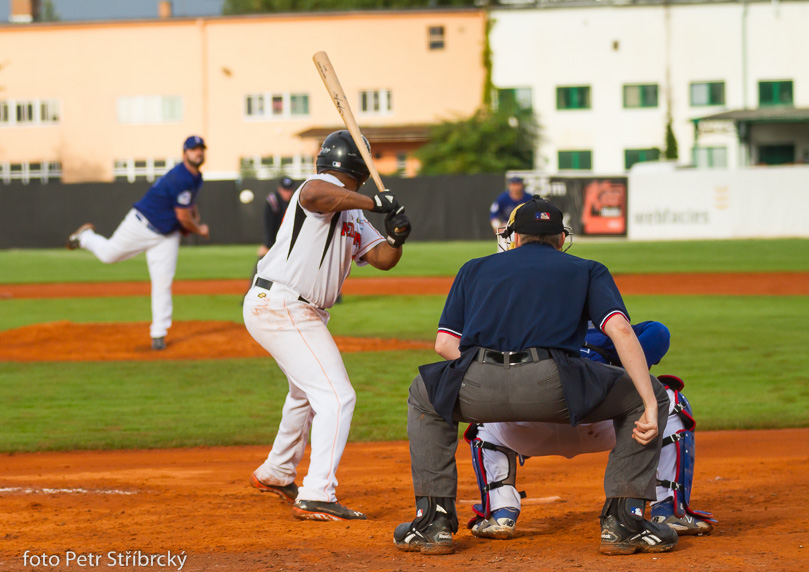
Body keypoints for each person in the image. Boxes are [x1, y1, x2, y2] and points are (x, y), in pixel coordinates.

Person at [393, 197, 677, 556]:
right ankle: (625, 522)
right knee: (647, 393)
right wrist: (649, 403)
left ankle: (432, 522)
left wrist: (488, 372)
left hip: (479, 383)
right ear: (561, 238)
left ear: (514, 238)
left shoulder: (474, 267)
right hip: (554, 384)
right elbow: (620, 329)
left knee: (424, 393)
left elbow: (444, 344)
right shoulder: (586, 268)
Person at [243, 130, 412, 521]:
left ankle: (277, 471)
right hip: (283, 304)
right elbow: (314, 195)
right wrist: (375, 202)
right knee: (337, 397)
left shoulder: (351, 210)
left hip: (290, 309)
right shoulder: (324, 189)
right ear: (360, 166)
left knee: (304, 395)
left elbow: (383, 258)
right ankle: (317, 492)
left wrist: (396, 236)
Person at [466, 321, 715, 541]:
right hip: (605, 424)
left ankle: (499, 512)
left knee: (486, 407)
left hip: (531, 429)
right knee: (669, 400)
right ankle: (669, 510)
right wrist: (620, 362)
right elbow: (658, 334)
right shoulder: (608, 331)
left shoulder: (514, 329)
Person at [66, 135, 210, 350]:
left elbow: (190, 204)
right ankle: (86, 237)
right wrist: (199, 228)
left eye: (201, 149)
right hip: (141, 225)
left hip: (166, 235)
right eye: (194, 149)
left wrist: (194, 219)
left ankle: (158, 334)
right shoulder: (180, 177)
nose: (198, 152)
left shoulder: (196, 176)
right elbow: (183, 216)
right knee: (108, 256)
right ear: (185, 153)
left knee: (163, 282)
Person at [247, 176, 296, 288]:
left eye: (289, 190)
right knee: (262, 264)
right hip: (274, 241)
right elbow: (269, 224)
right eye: (285, 189)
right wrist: (267, 244)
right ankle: (250, 292)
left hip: (291, 240)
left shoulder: (296, 200)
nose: (287, 193)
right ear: (279, 189)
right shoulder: (273, 200)